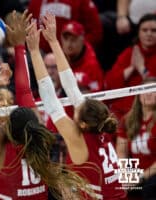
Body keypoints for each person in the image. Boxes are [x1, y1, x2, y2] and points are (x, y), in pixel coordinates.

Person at [0, 10, 88, 199]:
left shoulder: (0, 152)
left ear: (6, 128)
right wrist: (17, 46)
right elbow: (19, 95)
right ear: (35, 124)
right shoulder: (41, 145)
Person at [26, 13, 127, 199]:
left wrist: (33, 51)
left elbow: (49, 99)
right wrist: (54, 42)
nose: (76, 105)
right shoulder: (101, 125)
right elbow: (72, 87)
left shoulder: (78, 138)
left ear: (82, 125)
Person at [105, 14, 156, 120]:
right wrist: (131, 68)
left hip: (149, 111)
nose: (149, 34)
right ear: (138, 33)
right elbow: (109, 84)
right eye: (144, 30)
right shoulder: (129, 53)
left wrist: (141, 68)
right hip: (123, 111)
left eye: (154, 30)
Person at [116, 77, 156, 200]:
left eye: (153, 90)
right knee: (115, 186)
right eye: (144, 90)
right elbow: (121, 153)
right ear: (138, 94)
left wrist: (140, 177)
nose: (148, 93)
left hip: (151, 176)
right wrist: (124, 176)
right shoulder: (127, 120)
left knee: (150, 187)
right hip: (137, 174)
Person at [28, 0, 103, 52]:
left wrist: (77, 49)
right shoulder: (35, 2)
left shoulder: (82, 2)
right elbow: (30, 27)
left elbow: (95, 31)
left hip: (71, 57)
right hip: (42, 55)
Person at [61, 21, 104, 92]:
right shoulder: (56, 59)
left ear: (82, 39)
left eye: (73, 40)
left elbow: (96, 96)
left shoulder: (92, 65)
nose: (69, 44)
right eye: (66, 39)